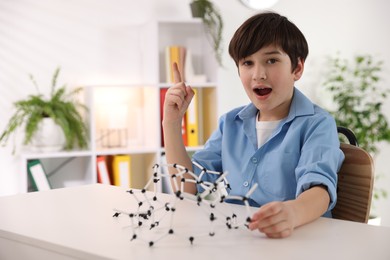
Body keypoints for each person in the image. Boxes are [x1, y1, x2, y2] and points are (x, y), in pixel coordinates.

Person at [162, 11, 344, 238]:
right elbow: (187, 188)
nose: (258, 74)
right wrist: (171, 123)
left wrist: (292, 213)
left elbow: (320, 190)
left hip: (299, 242)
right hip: (240, 240)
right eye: (247, 62)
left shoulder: (317, 124)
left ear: (297, 68)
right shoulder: (230, 124)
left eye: (271, 60)